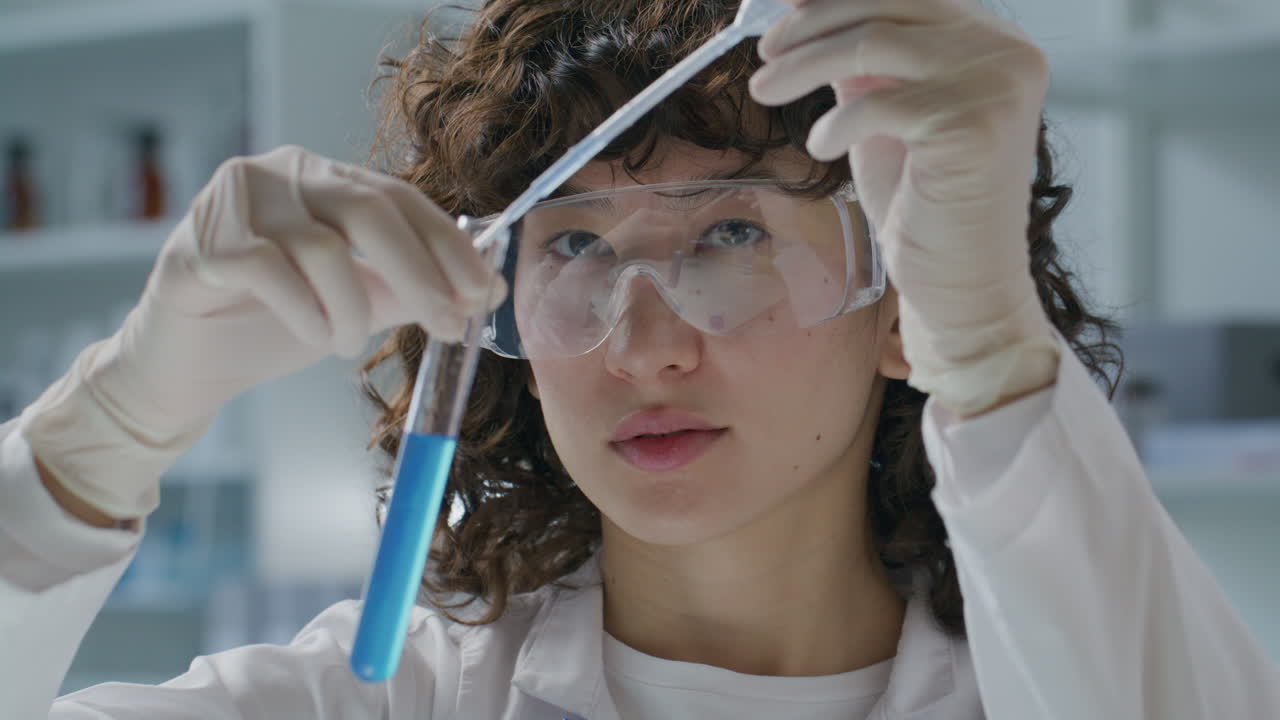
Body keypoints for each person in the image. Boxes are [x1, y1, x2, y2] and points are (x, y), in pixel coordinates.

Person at [2, 0, 1277, 717]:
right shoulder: (383, 698)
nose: (643, 343)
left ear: (901, 305)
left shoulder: (1059, 678)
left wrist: (992, 349)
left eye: (728, 231)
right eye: (573, 250)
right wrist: (110, 421)